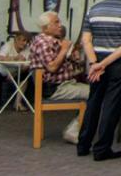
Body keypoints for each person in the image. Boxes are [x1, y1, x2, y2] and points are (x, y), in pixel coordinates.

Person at [77, 0, 121, 161]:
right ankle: (102, 149)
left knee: (93, 101)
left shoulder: (94, 9)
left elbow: (86, 40)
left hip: (96, 61)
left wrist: (95, 63)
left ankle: (83, 145)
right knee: (111, 105)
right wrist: (104, 64)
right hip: (118, 63)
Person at [30, 11, 89, 143]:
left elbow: (68, 67)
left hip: (66, 84)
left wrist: (74, 58)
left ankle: (77, 128)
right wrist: (64, 50)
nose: (60, 25)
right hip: (55, 88)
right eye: (56, 22)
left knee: (95, 92)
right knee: (96, 93)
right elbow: (52, 67)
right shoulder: (42, 42)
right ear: (45, 28)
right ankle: (73, 130)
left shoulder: (54, 41)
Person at [0, 31, 32, 114]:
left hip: (13, 71)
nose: (25, 43)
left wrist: (25, 65)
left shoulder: (27, 49)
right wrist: (15, 58)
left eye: (27, 41)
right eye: (23, 40)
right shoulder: (8, 45)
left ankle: (17, 103)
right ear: (16, 40)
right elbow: (1, 58)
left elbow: (25, 66)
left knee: (24, 77)